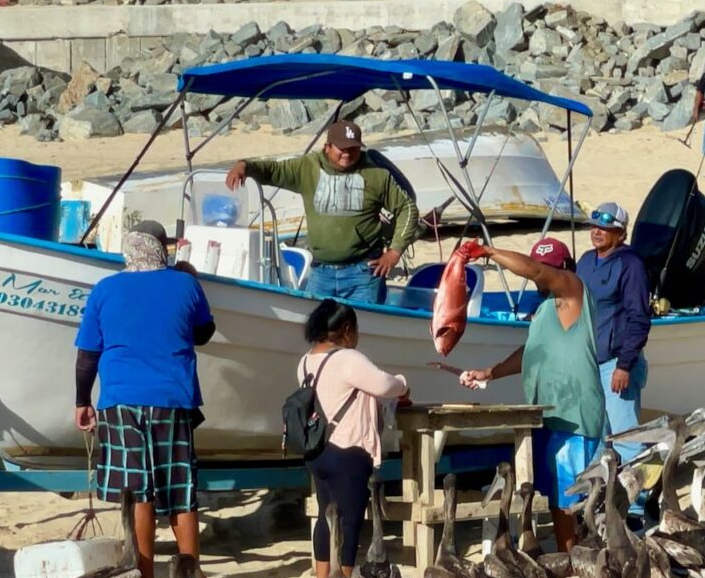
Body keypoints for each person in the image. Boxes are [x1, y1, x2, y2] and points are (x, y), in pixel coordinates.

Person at [74, 222, 218, 578]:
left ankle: (146, 577)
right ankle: (193, 575)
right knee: (180, 487)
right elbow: (203, 333)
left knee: (139, 492)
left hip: (121, 399)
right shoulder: (185, 284)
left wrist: (82, 400)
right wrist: (190, 282)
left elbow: (88, 356)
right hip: (172, 397)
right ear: (162, 248)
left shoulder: (106, 289)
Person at [456, 238, 604, 553]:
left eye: (549, 268)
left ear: (564, 270)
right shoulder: (543, 311)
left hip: (575, 415)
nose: (541, 275)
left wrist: (490, 252)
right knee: (552, 494)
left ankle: (573, 557)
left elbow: (536, 271)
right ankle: (570, 553)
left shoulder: (573, 291)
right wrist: (490, 373)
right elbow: (531, 351)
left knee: (570, 496)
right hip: (546, 413)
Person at [225, 119, 420, 304]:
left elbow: (407, 208)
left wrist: (394, 252)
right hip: (321, 272)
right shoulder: (307, 167)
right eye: (342, 148)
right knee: (314, 328)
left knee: (362, 329)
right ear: (327, 147)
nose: (347, 154)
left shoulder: (378, 174)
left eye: (353, 148)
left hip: (363, 272)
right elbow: (272, 170)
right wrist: (244, 166)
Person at [300, 299, 409, 578]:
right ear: (347, 329)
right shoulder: (348, 358)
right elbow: (386, 384)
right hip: (349, 450)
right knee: (349, 522)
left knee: (327, 517)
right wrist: (403, 382)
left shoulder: (306, 360)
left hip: (318, 450)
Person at [576, 203, 652, 464]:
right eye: (594, 227)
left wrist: (624, 365)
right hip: (588, 364)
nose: (597, 232)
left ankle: (637, 502)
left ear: (621, 234)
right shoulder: (585, 261)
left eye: (605, 228)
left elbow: (639, 318)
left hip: (616, 365)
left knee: (626, 437)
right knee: (594, 435)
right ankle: (600, 496)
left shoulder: (631, 265)